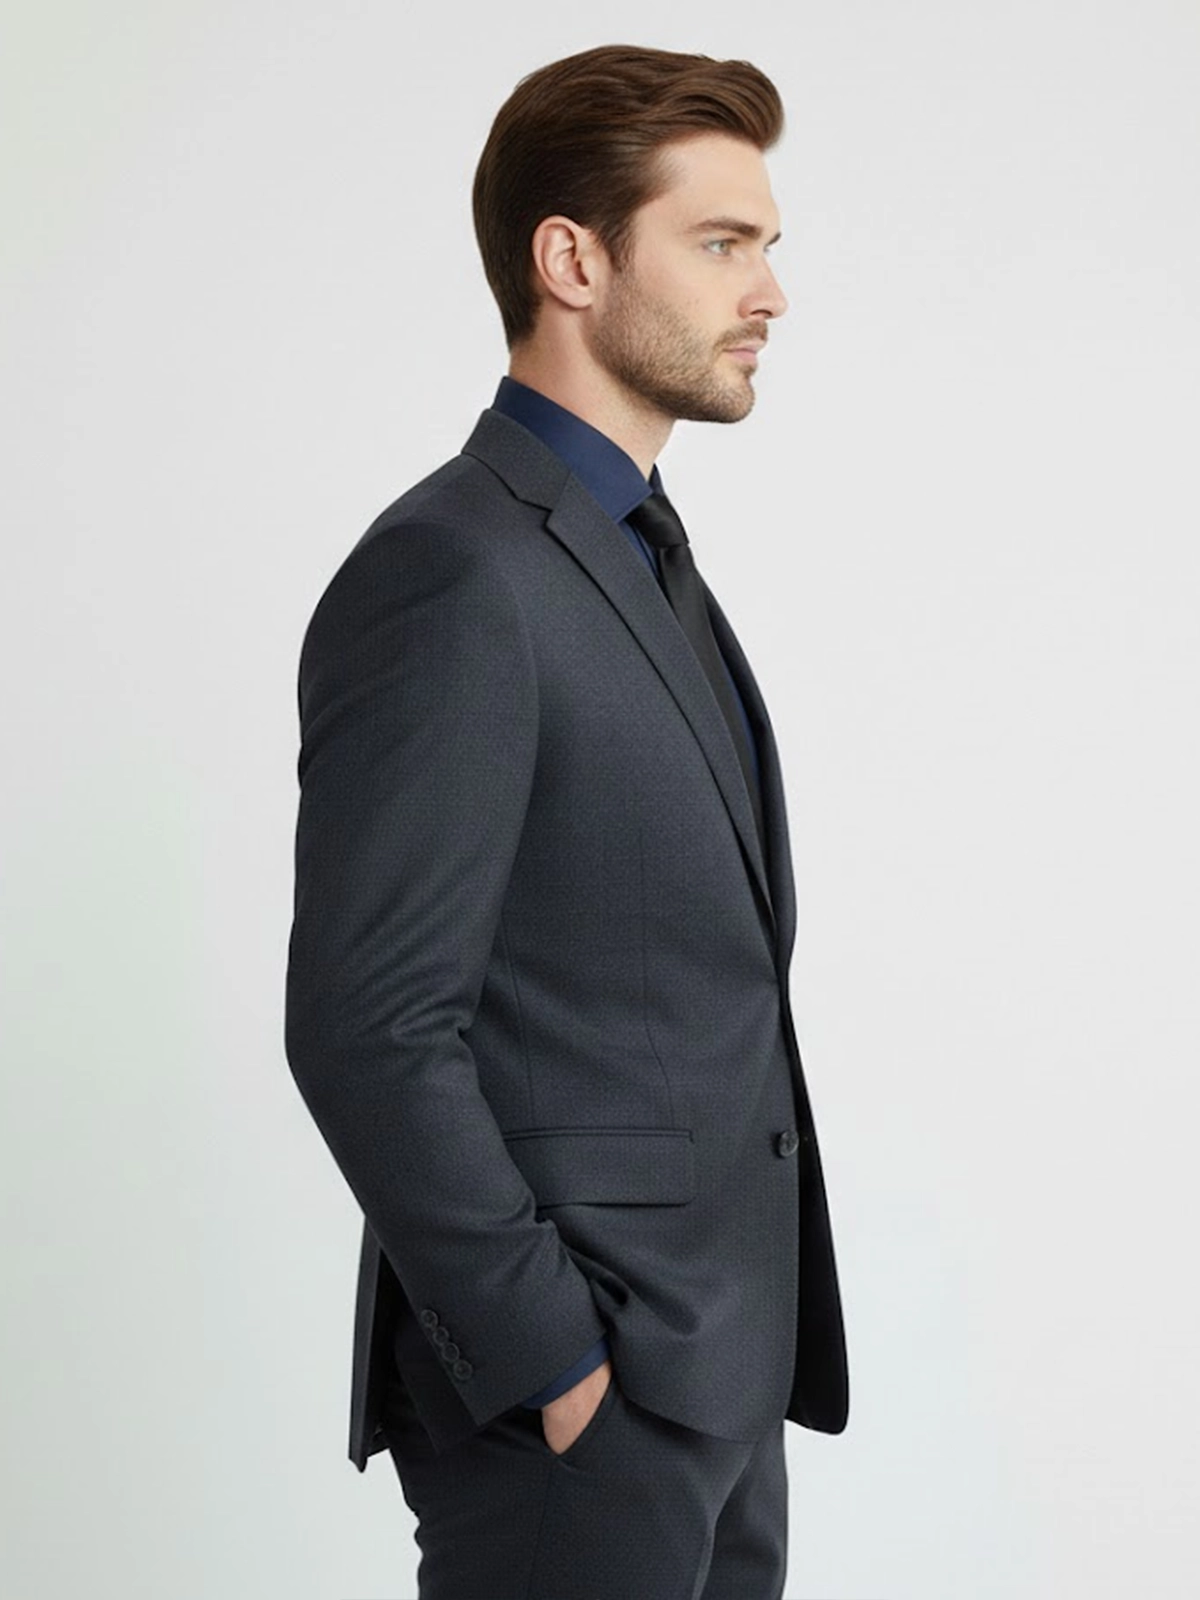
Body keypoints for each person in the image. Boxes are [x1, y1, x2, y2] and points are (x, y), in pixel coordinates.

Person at [285, 42, 848, 1599]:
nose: (770, 292)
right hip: (586, 1413)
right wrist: (555, 1365)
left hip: (713, 1379)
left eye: (767, 245)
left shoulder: (636, 556)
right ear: (573, 262)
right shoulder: (456, 573)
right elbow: (367, 1023)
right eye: (722, 244)